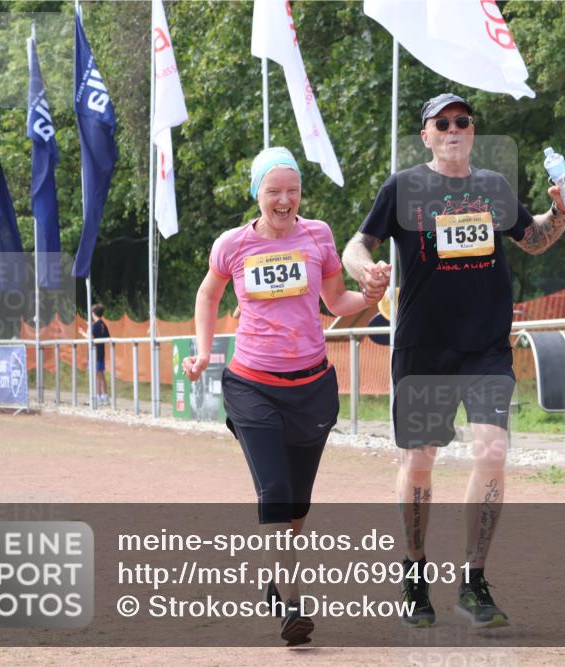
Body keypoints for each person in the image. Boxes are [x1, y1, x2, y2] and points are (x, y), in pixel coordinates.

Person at [342, 93, 565, 629]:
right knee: (419, 461)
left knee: (492, 451)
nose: (454, 129)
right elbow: (356, 245)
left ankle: (474, 581)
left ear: (472, 131)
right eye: (443, 123)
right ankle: (414, 575)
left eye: (463, 121)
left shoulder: (493, 187)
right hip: (423, 347)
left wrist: (562, 209)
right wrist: (365, 269)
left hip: (485, 346)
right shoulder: (402, 187)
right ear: (426, 135)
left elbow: (534, 238)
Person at [181, 147, 388, 646]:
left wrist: (372, 295)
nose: (284, 199)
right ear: (257, 192)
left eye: (292, 190)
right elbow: (208, 294)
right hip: (252, 385)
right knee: (274, 491)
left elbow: (336, 301)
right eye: (273, 190)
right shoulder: (232, 244)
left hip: (312, 387)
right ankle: (294, 604)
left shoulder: (318, 236)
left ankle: (277, 580)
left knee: (297, 503)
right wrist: (203, 351)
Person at [78, 303, 110, 404]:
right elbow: (107, 337)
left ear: (93, 313)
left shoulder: (95, 325)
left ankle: (98, 397)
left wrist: (83, 333)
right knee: (101, 375)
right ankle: (104, 396)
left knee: (96, 375)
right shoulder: (102, 324)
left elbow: (91, 337)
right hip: (100, 353)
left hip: (94, 354)